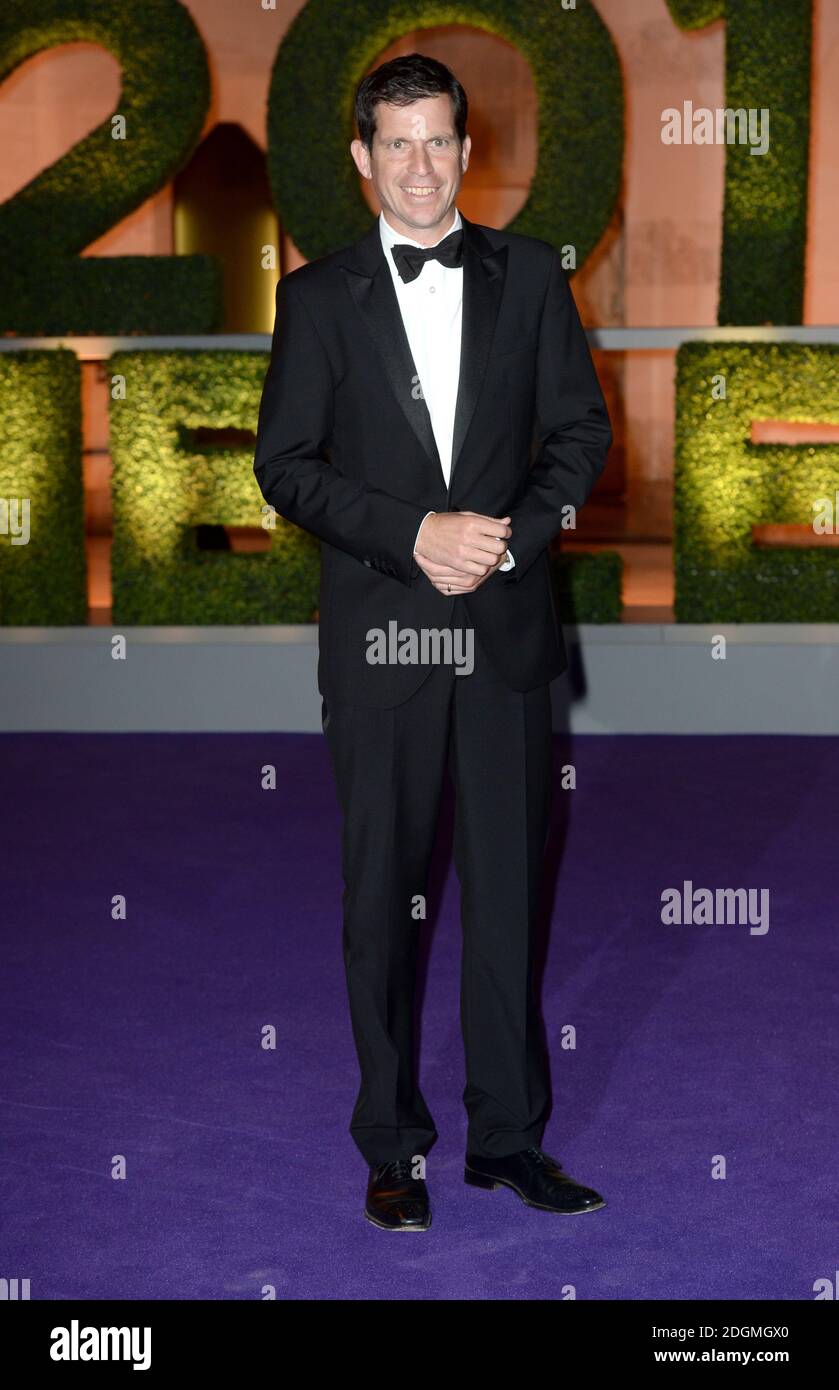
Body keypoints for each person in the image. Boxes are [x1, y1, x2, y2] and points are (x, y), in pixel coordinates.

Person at [253, 53, 612, 1230]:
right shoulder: (315, 299)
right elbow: (285, 468)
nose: (419, 165)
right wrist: (414, 534)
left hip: (504, 635)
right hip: (383, 642)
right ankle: (393, 1145)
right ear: (362, 158)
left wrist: (508, 541)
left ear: (469, 150)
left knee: (507, 898)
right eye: (395, 143)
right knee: (385, 902)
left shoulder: (532, 279)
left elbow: (578, 436)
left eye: (438, 141)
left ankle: (506, 1139)